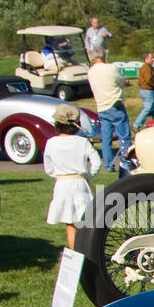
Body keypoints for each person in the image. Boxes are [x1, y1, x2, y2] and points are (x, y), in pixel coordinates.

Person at [43, 103, 101, 251]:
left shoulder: (51, 143)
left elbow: (48, 167)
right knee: (85, 221)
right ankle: (87, 250)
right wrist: (89, 175)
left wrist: (57, 174)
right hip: (80, 183)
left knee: (70, 223)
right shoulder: (82, 142)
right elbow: (96, 161)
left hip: (62, 184)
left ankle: (75, 254)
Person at [87, 54, 132, 174]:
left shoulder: (91, 72)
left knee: (106, 138)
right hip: (114, 104)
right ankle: (127, 162)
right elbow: (121, 81)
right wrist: (126, 82)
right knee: (124, 136)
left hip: (101, 106)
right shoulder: (111, 68)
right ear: (104, 56)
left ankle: (108, 165)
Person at [134, 52, 154, 129]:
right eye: (151, 58)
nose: (153, 59)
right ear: (146, 59)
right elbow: (148, 80)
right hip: (147, 91)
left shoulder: (149, 67)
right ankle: (136, 125)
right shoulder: (146, 68)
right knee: (148, 108)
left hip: (150, 91)